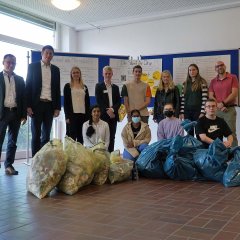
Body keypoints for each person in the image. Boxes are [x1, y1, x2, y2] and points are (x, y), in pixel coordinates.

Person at [25, 45, 61, 157]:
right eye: (47, 53)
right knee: (36, 135)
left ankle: (43, 160)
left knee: (46, 136)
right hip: (36, 105)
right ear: (42, 53)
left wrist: (57, 107)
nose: (48, 55)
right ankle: (35, 160)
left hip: (49, 106)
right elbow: (28, 87)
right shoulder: (33, 67)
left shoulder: (55, 69)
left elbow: (57, 89)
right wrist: (28, 106)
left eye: (51, 53)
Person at [0, 54, 26, 175]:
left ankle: (9, 165)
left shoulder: (20, 79)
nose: (11, 65)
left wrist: (24, 115)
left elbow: (23, 98)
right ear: (3, 62)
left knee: (13, 141)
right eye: (8, 62)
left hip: (16, 112)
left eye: (13, 63)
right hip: (2, 113)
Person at [209, 61, 238, 147]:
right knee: (215, 133)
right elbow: (211, 95)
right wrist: (219, 105)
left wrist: (223, 103)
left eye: (221, 65)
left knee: (231, 133)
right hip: (217, 110)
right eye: (217, 66)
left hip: (229, 110)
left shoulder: (233, 77)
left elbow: (234, 94)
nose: (219, 67)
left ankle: (234, 155)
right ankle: (218, 153)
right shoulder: (213, 81)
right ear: (215, 69)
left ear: (224, 66)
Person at [95, 66, 121, 152]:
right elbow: (99, 102)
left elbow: (118, 102)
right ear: (103, 74)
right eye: (106, 73)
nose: (107, 75)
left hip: (113, 116)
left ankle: (110, 156)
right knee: (102, 137)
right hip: (103, 116)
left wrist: (112, 110)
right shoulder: (98, 86)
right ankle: (102, 156)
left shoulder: (116, 88)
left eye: (109, 73)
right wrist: (107, 111)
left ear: (112, 74)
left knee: (112, 137)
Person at [179, 63, 208, 136]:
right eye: (190, 70)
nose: (192, 72)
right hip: (187, 111)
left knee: (199, 131)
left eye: (194, 70)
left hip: (198, 111)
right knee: (189, 132)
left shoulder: (202, 82)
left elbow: (205, 99)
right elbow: (183, 99)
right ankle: (191, 147)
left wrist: (202, 112)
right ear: (188, 72)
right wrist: (182, 112)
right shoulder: (185, 83)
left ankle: (200, 147)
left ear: (197, 71)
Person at [64, 66, 90, 144]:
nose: (76, 74)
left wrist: (88, 117)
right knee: (71, 137)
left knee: (81, 137)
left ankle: (79, 155)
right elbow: (66, 103)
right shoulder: (67, 86)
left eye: (77, 72)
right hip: (72, 116)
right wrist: (67, 117)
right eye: (74, 72)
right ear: (71, 74)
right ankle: (70, 156)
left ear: (80, 74)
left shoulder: (84, 87)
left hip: (83, 115)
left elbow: (87, 103)